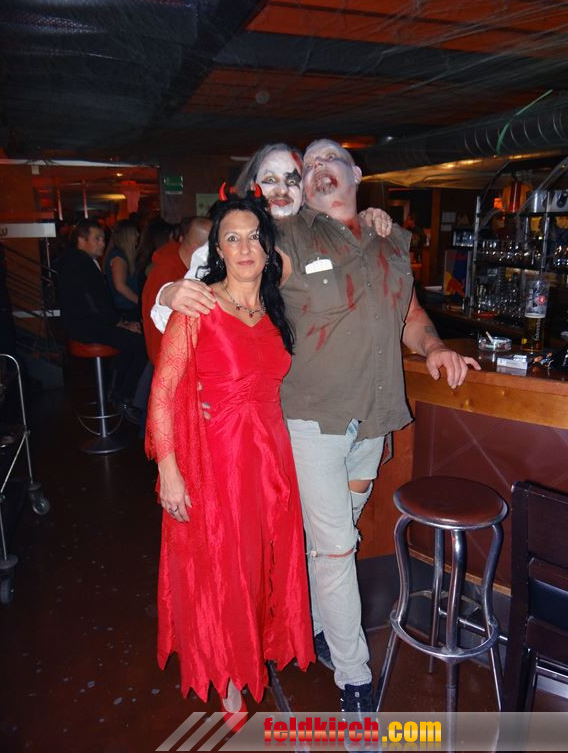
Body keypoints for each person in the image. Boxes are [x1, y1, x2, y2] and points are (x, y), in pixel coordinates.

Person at [153, 140, 481, 712]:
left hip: (372, 420)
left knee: (332, 540)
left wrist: (432, 347)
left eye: (328, 161)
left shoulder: (387, 238)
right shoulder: (286, 238)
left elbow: (408, 313)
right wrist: (167, 290)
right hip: (311, 423)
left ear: (357, 173)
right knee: (333, 550)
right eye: (308, 168)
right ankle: (355, 677)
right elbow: (218, 268)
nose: (315, 173)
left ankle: (311, 623)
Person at [145, 190, 314, 714]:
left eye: (253, 237)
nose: (244, 248)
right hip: (219, 461)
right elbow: (162, 393)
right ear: (217, 249)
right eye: (231, 238)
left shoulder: (275, 309)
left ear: (268, 247)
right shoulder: (198, 305)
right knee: (225, 569)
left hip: (271, 460)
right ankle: (228, 670)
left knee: (261, 564)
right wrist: (169, 471)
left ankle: (252, 651)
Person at [152, 143, 392, 314]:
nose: (281, 190)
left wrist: (364, 219)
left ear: (304, 192)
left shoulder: (319, 236)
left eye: (292, 181)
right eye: (269, 180)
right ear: (251, 187)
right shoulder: (231, 246)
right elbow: (171, 317)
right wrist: (166, 296)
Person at [55, 219, 147, 413]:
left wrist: (119, 323)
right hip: (87, 328)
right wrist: (120, 323)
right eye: (97, 239)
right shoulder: (80, 262)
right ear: (81, 240)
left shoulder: (76, 260)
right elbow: (93, 302)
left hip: (84, 325)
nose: (102, 243)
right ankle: (124, 396)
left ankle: (115, 392)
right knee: (142, 345)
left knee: (133, 341)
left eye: (103, 239)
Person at [141, 216, 211, 365]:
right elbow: (160, 336)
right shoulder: (168, 275)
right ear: (203, 249)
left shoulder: (184, 267)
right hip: (168, 364)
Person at [103, 219, 141, 321]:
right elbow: (120, 286)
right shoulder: (118, 257)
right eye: (134, 232)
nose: (138, 234)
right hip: (125, 308)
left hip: (127, 307)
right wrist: (140, 302)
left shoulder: (123, 255)